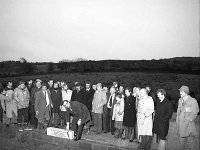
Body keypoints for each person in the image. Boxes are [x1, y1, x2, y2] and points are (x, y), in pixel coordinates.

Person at [176, 86, 199, 150]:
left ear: (185, 92)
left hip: (188, 126)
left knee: (190, 145)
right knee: (181, 145)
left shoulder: (192, 101)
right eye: (180, 91)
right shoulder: (180, 100)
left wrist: (189, 119)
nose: (180, 92)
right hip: (181, 126)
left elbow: (195, 111)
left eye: (181, 91)